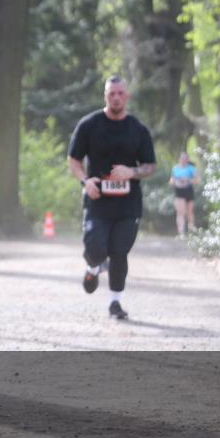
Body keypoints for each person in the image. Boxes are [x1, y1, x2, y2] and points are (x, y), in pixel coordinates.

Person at [67, 76, 155, 320]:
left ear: (126, 96)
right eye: (111, 94)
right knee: (95, 248)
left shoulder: (138, 129)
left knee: (119, 252)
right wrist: (86, 181)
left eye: (120, 93)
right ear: (105, 96)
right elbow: (73, 160)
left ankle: (115, 303)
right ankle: (93, 266)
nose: (116, 97)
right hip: (97, 201)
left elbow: (150, 165)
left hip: (128, 206)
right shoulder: (89, 125)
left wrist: (132, 172)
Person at [169, 152, 199, 236]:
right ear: (179, 159)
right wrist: (176, 182)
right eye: (182, 158)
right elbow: (171, 181)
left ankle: (191, 228)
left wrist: (187, 180)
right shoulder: (175, 168)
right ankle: (181, 231)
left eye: (185, 158)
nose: (183, 160)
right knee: (180, 212)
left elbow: (197, 180)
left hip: (189, 190)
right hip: (179, 191)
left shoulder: (191, 168)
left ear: (187, 159)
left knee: (189, 212)